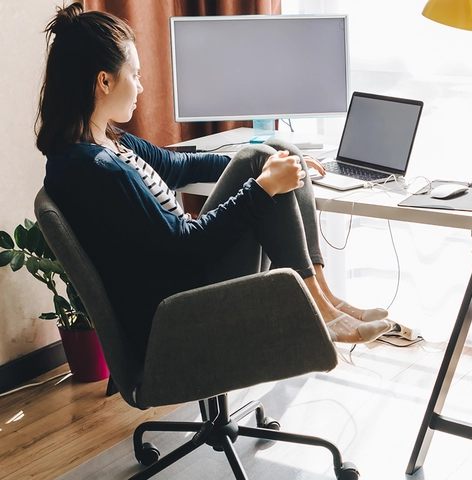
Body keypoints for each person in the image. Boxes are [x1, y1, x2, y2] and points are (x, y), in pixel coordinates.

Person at [36, 3, 391, 357]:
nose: (142, 87)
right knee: (263, 165)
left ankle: (325, 299)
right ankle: (320, 311)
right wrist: (263, 186)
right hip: (181, 311)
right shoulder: (97, 170)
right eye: (136, 75)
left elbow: (180, 166)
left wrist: (274, 164)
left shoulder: (110, 144)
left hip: (188, 281)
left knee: (274, 149)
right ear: (104, 81)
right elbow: (185, 249)